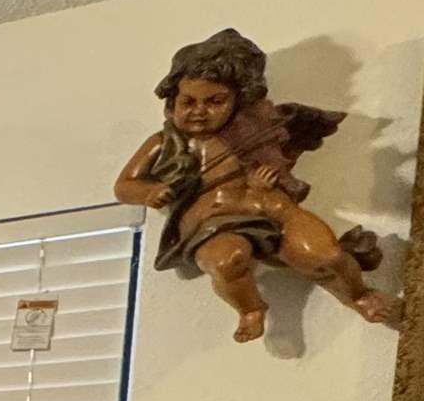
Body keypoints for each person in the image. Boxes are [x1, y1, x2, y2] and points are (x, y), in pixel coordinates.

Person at [115, 27, 396, 343]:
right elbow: (124, 185)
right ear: (172, 102)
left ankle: (358, 294)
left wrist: (264, 181)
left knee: (327, 255)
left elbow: (277, 162)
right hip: (214, 221)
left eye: (215, 101)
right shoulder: (163, 143)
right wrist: (150, 191)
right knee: (226, 261)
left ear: (237, 101)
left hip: (270, 205)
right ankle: (250, 308)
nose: (199, 111)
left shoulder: (252, 131)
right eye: (188, 102)